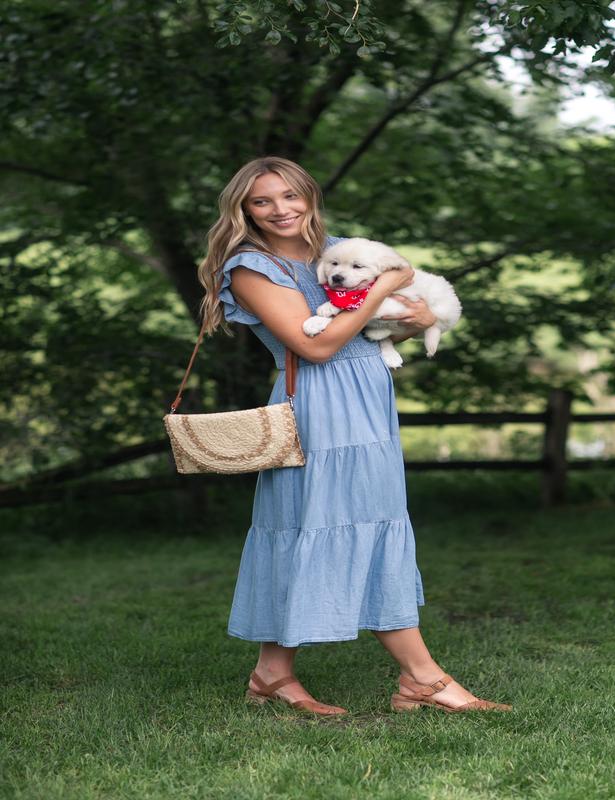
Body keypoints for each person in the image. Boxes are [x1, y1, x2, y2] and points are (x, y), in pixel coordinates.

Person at [197, 156, 511, 715]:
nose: (280, 210)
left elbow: (369, 332)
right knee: (345, 522)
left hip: (368, 400)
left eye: (291, 196)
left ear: (309, 196)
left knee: (315, 524)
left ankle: (272, 674)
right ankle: (423, 677)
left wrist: (408, 324)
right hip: (319, 407)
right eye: (262, 201)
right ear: (244, 210)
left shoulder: (338, 250)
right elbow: (314, 346)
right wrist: (386, 283)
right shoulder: (252, 267)